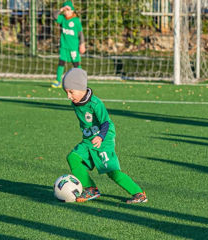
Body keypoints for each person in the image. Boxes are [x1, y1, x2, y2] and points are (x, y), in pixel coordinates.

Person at [62, 68, 148, 203]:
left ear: (81, 88)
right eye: (66, 92)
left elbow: (106, 122)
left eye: (71, 92)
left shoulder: (96, 104)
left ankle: (138, 193)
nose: (68, 96)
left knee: (111, 171)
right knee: (72, 157)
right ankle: (91, 189)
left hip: (104, 137)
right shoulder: (75, 102)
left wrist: (101, 136)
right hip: (89, 139)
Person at [51, 1, 86, 88]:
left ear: (73, 11)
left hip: (73, 47)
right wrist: (61, 9)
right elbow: (54, 16)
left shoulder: (76, 20)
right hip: (64, 46)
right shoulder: (62, 18)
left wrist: (82, 44)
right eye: (65, 10)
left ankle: (81, 81)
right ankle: (58, 80)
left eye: (68, 10)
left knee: (76, 64)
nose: (67, 12)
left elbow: (80, 33)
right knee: (61, 62)